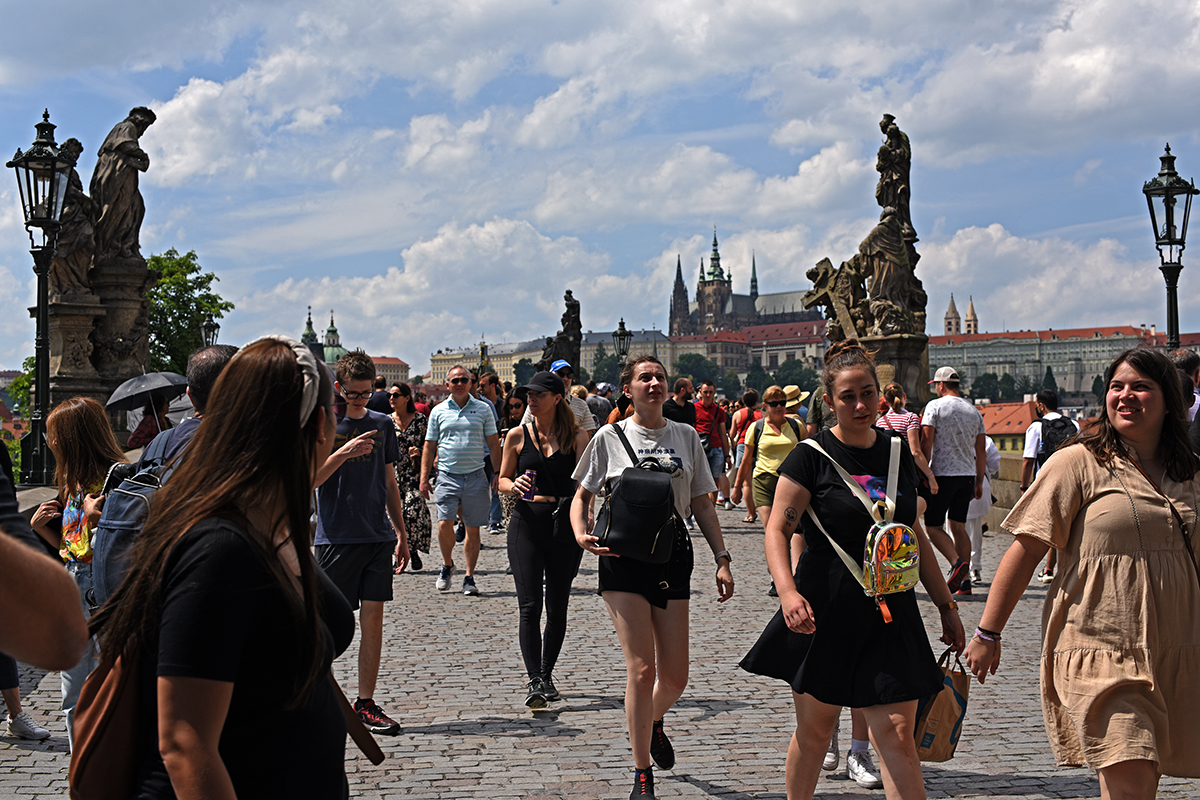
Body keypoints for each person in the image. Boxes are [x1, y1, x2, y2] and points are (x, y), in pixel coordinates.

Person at [87, 336, 357, 797]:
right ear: (316, 427)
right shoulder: (219, 546)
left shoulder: (266, 523)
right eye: (335, 410)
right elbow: (184, 743)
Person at [965, 348, 1200, 799]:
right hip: (1102, 646)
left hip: (1178, 649)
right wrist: (988, 632)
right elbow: (1026, 549)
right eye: (1117, 386)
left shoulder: (1189, 473)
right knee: (1130, 772)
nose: (1125, 395)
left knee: (1143, 779)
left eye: (1140, 386)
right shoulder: (1076, 463)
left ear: (1168, 400)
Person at [740, 339, 964, 800]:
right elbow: (778, 531)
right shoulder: (809, 456)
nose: (860, 404)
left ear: (879, 395)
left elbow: (913, 535)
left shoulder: (899, 452)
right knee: (815, 733)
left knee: (899, 736)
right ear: (829, 402)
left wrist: (945, 604)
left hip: (891, 612)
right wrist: (786, 592)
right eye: (848, 396)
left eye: (867, 393)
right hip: (826, 610)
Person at [571, 354, 735, 800]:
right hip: (622, 557)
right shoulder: (609, 435)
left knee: (676, 678)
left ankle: (654, 720)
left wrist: (722, 557)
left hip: (672, 555)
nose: (655, 383)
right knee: (642, 671)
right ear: (628, 389)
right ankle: (642, 771)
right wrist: (580, 532)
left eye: (660, 377)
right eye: (645, 378)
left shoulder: (685, 436)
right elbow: (582, 491)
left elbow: (701, 502)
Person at [314, 349, 410, 734]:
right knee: (328, 625)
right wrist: (344, 452)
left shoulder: (383, 423)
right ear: (339, 389)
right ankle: (318, 696)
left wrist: (401, 533)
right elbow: (310, 479)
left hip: (376, 536)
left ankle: (365, 702)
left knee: (374, 620)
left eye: (366, 393)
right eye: (352, 393)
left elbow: (390, 482)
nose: (359, 400)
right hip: (336, 536)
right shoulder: (325, 423)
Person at [27, 397, 127, 749]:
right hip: (74, 584)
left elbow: (125, 543)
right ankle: (81, 770)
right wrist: (44, 530)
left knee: (106, 682)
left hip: (102, 589)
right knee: (72, 687)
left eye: (55, 435)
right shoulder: (73, 483)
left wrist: (104, 518)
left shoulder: (116, 479)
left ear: (72, 437)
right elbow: (74, 549)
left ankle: (108, 764)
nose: (49, 442)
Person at [498, 372, 589, 709]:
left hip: (563, 525)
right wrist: (515, 484)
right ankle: (535, 678)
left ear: (556, 397)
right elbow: (502, 480)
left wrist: (584, 519)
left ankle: (547, 674)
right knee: (529, 605)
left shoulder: (577, 437)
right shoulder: (517, 436)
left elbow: (585, 485)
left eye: (537, 395)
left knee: (558, 607)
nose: (530, 401)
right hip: (527, 522)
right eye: (528, 395)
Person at [421, 364, 501, 595]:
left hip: (476, 475)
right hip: (447, 475)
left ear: (470, 384)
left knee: (472, 529)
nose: (459, 384)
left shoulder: (483, 409)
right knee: (444, 523)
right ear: (447, 385)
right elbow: (429, 445)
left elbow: (493, 443)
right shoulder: (438, 411)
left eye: (463, 380)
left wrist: (498, 473)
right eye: (454, 380)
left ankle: (469, 576)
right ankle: (447, 565)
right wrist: (424, 477)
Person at [921, 366, 986, 595]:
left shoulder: (934, 407)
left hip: (941, 475)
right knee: (958, 526)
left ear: (940, 385)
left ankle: (957, 563)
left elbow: (927, 444)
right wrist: (978, 481)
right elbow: (981, 450)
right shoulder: (974, 411)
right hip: (967, 475)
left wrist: (924, 473)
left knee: (933, 526)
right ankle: (965, 582)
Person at [1019, 389, 1079, 583]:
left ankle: (1047, 569)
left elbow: (1028, 460)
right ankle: (1057, 568)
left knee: (1045, 527)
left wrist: (1024, 487)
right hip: (1072, 480)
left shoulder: (1036, 427)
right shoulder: (1074, 424)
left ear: (1041, 405)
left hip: (1046, 481)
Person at [732, 385, 803, 536]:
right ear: (765, 405)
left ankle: (793, 559)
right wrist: (737, 487)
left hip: (790, 484)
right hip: (763, 483)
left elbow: (808, 457)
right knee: (772, 530)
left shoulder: (797, 426)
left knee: (793, 531)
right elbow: (746, 461)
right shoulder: (756, 427)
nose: (779, 407)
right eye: (773, 403)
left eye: (782, 403)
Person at [389, 383, 432, 572]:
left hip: (414, 473)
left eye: (396, 395)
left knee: (412, 512)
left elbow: (431, 447)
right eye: (390, 395)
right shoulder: (387, 422)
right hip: (393, 474)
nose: (392, 399)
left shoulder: (420, 420)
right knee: (394, 515)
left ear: (407, 398)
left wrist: (420, 451)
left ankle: (412, 548)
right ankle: (400, 553)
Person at [876, 382, 938, 493]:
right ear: (904, 396)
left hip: (886, 472)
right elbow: (915, 452)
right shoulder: (910, 418)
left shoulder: (880, 422)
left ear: (885, 401)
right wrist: (930, 476)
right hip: (905, 471)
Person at [965, 435, 1000, 585]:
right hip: (980, 484)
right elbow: (994, 466)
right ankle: (975, 568)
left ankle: (961, 568)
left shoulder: (951, 434)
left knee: (955, 530)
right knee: (976, 532)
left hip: (954, 484)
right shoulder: (986, 440)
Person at [693, 380, 731, 509]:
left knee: (714, 482)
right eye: (705, 392)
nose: (708, 395)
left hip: (716, 448)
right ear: (700, 392)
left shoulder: (719, 411)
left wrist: (727, 455)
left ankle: (710, 509)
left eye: (710, 392)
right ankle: (698, 509)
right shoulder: (694, 408)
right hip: (699, 449)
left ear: (714, 392)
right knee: (698, 481)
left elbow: (723, 434)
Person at [729, 390, 763, 522]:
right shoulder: (762, 415)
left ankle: (751, 514)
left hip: (743, 446)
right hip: (759, 446)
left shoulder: (738, 414)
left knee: (746, 483)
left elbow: (732, 435)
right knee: (759, 482)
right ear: (756, 400)